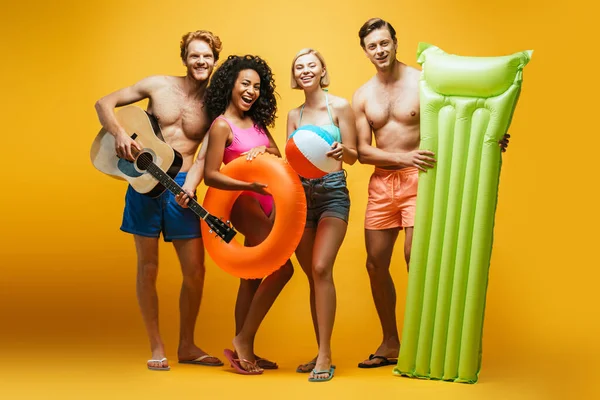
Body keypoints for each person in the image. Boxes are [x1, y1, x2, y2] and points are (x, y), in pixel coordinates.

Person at [352, 18, 510, 368]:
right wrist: (399, 156)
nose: (380, 50)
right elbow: (363, 151)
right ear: (364, 51)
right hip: (381, 184)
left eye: (384, 43)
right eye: (372, 46)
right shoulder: (362, 95)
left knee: (416, 258)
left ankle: (424, 342)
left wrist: (491, 135)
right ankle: (390, 341)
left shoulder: (424, 82)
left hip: (419, 180)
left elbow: (462, 114)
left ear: (395, 42)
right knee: (375, 263)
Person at [94, 30, 225, 371]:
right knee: (148, 268)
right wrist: (120, 134)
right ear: (185, 58)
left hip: (183, 184)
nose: (201, 61)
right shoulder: (157, 85)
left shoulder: (216, 103)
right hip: (143, 182)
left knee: (195, 270)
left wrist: (193, 187)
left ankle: (187, 345)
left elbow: (203, 156)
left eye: (207, 56)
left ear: (215, 60)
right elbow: (103, 103)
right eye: (195, 55)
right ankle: (156, 346)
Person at [182, 54, 293, 375]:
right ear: (230, 85)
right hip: (245, 202)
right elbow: (213, 174)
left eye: (257, 86)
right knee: (282, 270)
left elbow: (277, 154)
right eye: (245, 84)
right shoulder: (221, 126)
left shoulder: (257, 123)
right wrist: (251, 184)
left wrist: (262, 151)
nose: (251, 91)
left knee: (252, 276)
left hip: (270, 202)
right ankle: (244, 339)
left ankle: (246, 352)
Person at [286, 48, 358, 382]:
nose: (305, 70)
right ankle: (320, 351)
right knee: (313, 278)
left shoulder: (340, 106)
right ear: (295, 75)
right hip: (301, 196)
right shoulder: (294, 115)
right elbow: (290, 161)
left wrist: (346, 150)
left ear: (322, 70)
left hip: (332, 192)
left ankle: (326, 354)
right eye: (299, 67)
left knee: (321, 267)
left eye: (311, 65)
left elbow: (355, 155)